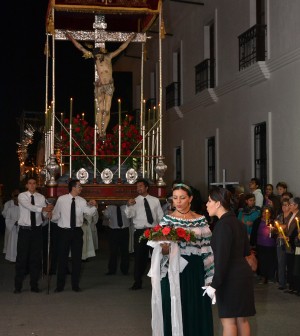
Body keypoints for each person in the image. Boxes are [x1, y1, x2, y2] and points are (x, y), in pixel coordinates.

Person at [158, 183, 214, 336]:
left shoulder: (201, 220)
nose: (178, 201)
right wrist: (164, 249)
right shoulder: (166, 221)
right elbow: (160, 251)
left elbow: (207, 250)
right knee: (174, 306)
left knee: (195, 307)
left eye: (182, 198)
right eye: (175, 198)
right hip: (174, 268)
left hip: (195, 270)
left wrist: (210, 277)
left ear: (190, 198)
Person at [205, 186, 255, 336]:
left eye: (209, 201)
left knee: (228, 321)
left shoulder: (222, 225)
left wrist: (214, 284)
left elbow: (222, 260)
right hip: (242, 274)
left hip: (230, 277)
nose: (206, 204)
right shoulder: (238, 222)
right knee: (242, 319)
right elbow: (246, 252)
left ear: (218, 203)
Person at [65, 31, 136, 138]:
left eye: (98, 54)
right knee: (100, 110)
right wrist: (71, 38)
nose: (97, 57)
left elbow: (121, 48)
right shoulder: (95, 58)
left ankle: (104, 131)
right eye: (96, 55)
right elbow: (80, 48)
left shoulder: (109, 56)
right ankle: (99, 131)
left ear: (102, 53)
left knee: (107, 111)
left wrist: (130, 38)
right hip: (100, 86)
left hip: (108, 86)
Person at [51, 179, 98, 292]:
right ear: (73, 187)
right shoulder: (62, 200)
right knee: (62, 258)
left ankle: (75, 285)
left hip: (77, 231)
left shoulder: (81, 201)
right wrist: (50, 216)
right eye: (79, 186)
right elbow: (56, 215)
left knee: (77, 259)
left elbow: (89, 212)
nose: (81, 188)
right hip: (64, 232)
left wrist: (94, 205)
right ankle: (60, 285)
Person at [14, 178, 53, 293]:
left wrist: (48, 213)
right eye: (30, 183)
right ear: (26, 185)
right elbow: (29, 207)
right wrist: (43, 209)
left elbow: (44, 213)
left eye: (34, 183)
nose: (32, 185)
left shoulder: (41, 197)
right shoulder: (22, 196)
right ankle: (18, 286)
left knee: (35, 259)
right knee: (22, 258)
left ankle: (34, 285)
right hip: (25, 231)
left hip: (37, 231)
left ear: (36, 185)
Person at [125, 178, 164, 290]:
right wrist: (128, 205)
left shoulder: (155, 200)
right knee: (139, 258)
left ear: (146, 187)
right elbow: (129, 215)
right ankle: (137, 281)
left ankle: (159, 281)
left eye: (141, 186)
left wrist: (163, 230)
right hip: (140, 232)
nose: (138, 188)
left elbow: (160, 216)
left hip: (154, 231)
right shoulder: (134, 201)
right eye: (137, 187)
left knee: (156, 257)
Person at [251, 206, 277, 284]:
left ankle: (270, 277)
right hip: (260, 244)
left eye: (267, 212)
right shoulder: (257, 221)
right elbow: (253, 233)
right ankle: (262, 277)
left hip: (270, 245)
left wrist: (273, 231)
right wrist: (252, 244)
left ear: (271, 213)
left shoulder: (273, 222)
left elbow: (276, 233)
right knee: (261, 261)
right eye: (263, 212)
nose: (265, 214)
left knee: (270, 261)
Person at [103, 204, 131, 275]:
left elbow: (130, 215)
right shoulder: (110, 207)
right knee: (113, 251)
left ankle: (125, 270)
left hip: (124, 230)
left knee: (124, 251)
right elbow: (106, 215)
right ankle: (112, 270)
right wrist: (106, 208)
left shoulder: (126, 206)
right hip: (113, 231)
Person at [284, 197, 300, 294]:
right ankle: (292, 286)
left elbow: (297, 231)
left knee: (296, 266)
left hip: (295, 244)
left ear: (296, 205)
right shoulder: (291, 215)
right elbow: (288, 228)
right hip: (289, 244)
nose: (289, 206)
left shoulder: (299, 216)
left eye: (291, 204)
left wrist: (291, 238)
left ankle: (297, 287)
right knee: (290, 265)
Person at [275, 198, 292, 290]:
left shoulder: (292, 216)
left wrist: (283, 227)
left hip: (289, 241)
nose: (284, 207)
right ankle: (282, 283)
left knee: (290, 263)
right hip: (280, 241)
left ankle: (291, 282)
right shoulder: (279, 216)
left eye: (286, 205)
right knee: (281, 262)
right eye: (283, 205)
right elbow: (276, 227)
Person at [2, 189, 20, 254]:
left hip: (20, 225)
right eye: (16, 195)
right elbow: (4, 213)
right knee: (10, 241)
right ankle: (8, 253)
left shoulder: (22, 203)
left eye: (18, 194)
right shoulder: (8, 203)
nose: (17, 196)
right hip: (10, 225)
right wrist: (13, 221)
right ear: (12, 195)